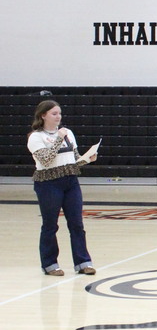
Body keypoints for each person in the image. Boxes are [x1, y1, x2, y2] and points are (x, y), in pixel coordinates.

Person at [27, 100, 98, 277]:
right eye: (54, 113)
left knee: (77, 224)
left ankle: (83, 262)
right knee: (50, 225)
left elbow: (73, 159)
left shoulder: (69, 133)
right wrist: (59, 138)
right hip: (48, 183)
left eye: (59, 113)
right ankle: (50, 264)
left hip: (70, 182)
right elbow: (46, 160)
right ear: (43, 115)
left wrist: (88, 159)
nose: (58, 117)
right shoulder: (36, 137)